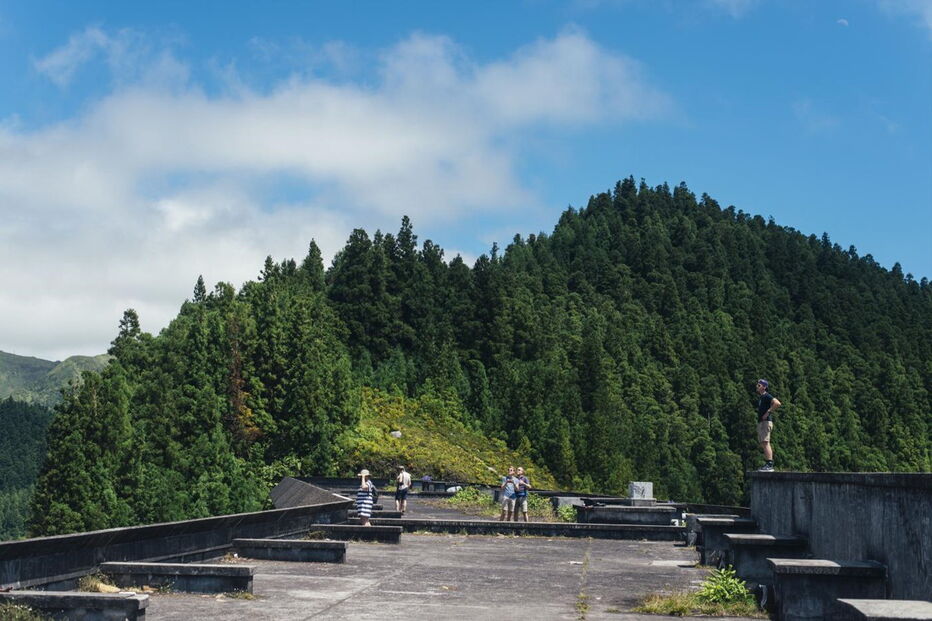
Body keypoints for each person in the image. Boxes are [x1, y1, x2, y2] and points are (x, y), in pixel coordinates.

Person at [755, 379, 781, 471]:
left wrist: (768, 412)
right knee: (763, 442)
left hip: (766, 422)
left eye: (759, 385)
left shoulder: (766, 396)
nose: (757, 387)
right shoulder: (762, 397)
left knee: (766, 442)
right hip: (762, 422)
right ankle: (768, 463)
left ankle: (770, 464)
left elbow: (777, 403)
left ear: (764, 387)